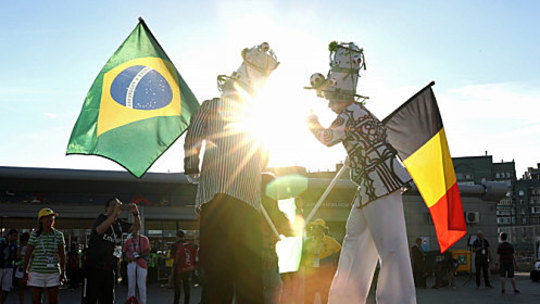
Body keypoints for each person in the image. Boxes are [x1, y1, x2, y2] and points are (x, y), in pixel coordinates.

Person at [305, 41, 416, 303]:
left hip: (380, 183)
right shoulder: (357, 112)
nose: (328, 102)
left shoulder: (350, 114)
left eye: (329, 97)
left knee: (391, 248)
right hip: (370, 186)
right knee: (355, 240)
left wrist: (310, 122)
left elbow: (327, 137)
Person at [183, 42, 279, 304]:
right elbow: (265, 157)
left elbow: (192, 139)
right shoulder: (256, 113)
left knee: (216, 277)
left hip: (215, 202)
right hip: (247, 204)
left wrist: (192, 171)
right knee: (249, 278)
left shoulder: (210, 106)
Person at [82, 198, 140, 304]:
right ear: (107, 208)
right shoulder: (101, 218)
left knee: (107, 299)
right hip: (94, 268)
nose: (116, 207)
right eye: (113, 205)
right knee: (90, 298)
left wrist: (136, 214)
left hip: (109, 268)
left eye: (118, 205)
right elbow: (99, 230)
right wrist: (114, 215)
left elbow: (136, 227)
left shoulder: (119, 224)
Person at [260, 172, 303, 304]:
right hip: (268, 265)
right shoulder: (276, 215)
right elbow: (293, 231)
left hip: (248, 266)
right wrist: (298, 210)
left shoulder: (248, 211)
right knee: (272, 292)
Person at [22, 208, 66, 304]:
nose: (50, 219)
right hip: (36, 272)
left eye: (52, 217)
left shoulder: (59, 235)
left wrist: (63, 272)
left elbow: (62, 255)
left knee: (53, 300)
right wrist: (24, 270)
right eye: (47, 217)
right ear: (41, 220)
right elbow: (28, 254)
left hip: (53, 272)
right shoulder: (34, 235)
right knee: (35, 300)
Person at [302, 219, 341, 304]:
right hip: (311, 273)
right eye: (312, 227)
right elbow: (302, 255)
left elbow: (341, 253)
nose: (313, 229)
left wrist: (336, 266)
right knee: (308, 297)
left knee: (324, 297)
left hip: (325, 273)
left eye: (315, 227)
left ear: (321, 229)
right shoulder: (307, 242)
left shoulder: (331, 241)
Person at [123, 230, 150, 304]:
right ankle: (131, 301)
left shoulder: (144, 239)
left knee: (141, 286)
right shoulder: (128, 240)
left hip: (142, 263)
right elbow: (124, 252)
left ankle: (143, 302)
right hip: (131, 263)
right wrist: (126, 258)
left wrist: (138, 256)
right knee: (131, 285)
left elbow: (147, 251)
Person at [170, 230, 196, 304]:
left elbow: (173, 258)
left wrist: (172, 273)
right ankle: (187, 302)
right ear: (184, 236)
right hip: (187, 268)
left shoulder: (175, 245)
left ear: (177, 236)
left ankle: (176, 302)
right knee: (186, 286)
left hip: (178, 268)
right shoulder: (189, 245)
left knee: (177, 289)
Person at [0, 229, 18, 304]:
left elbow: (15, 258)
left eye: (16, 236)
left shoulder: (15, 245)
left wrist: (14, 260)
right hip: (0, 267)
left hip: (9, 268)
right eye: (14, 236)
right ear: (9, 235)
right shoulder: (1, 242)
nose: (15, 238)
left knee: (6, 288)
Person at [15, 232, 30, 304]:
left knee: (34, 288)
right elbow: (17, 257)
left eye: (26, 240)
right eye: (23, 240)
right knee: (21, 287)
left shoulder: (31, 247)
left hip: (30, 268)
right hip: (20, 268)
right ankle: (21, 302)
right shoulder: (19, 247)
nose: (25, 241)